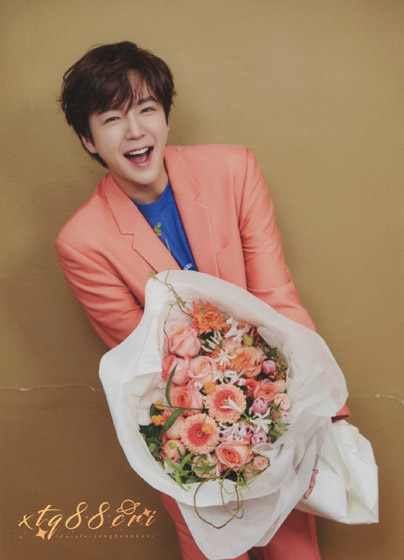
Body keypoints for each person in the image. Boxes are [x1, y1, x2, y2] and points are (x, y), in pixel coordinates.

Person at [56, 41, 348, 560]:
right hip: (186, 434)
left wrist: (325, 408)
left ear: (166, 115)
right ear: (88, 138)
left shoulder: (233, 170)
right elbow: (148, 365)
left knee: (296, 550)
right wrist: (214, 434)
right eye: (112, 118)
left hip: (277, 410)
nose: (135, 130)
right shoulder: (82, 242)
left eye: (147, 109)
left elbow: (276, 299)